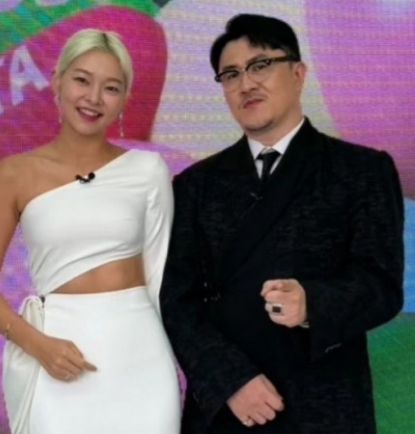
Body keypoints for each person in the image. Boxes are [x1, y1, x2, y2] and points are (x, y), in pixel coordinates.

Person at [160, 13, 404, 434]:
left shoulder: (362, 170)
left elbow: (381, 286)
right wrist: (229, 380)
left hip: (323, 405)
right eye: (231, 74)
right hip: (227, 410)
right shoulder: (195, 185)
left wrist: (312, 303)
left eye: (260, 65)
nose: (246, 84)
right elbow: (176, 300)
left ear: (298, 73)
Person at [0, 29, 181, 434]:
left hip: (141, 357)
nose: (94, 97)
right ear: (58, 82)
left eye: (111, 88)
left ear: (124, 100)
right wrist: (37, 344)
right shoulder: (14, 174)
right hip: (58, 354)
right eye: (82, 80)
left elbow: (161, 276)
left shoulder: (147, 170)